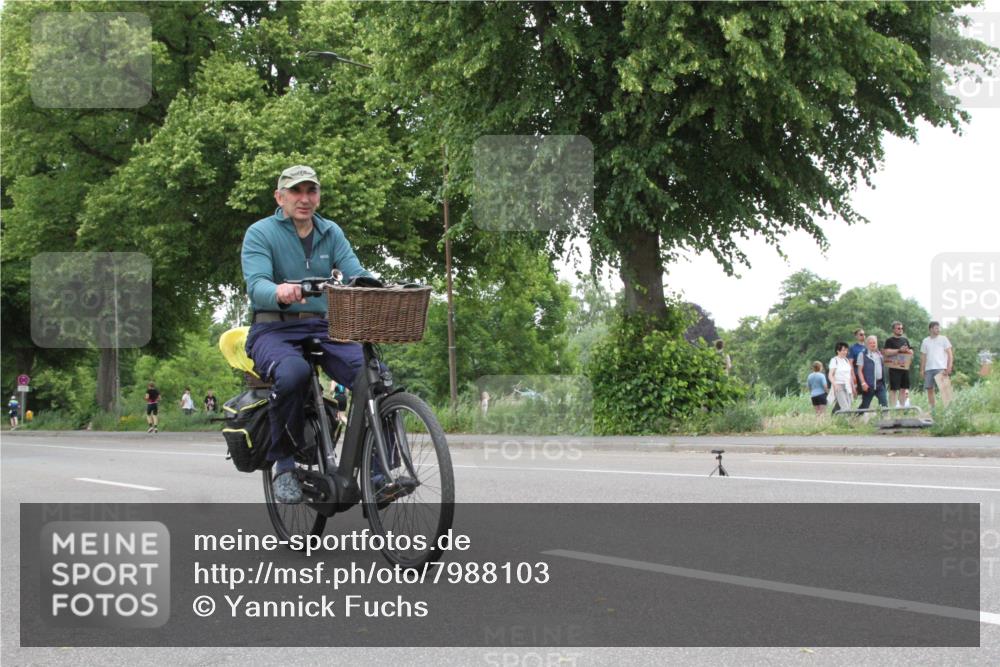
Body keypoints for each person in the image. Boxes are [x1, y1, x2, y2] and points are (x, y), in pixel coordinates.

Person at [242, 165, 374, 504]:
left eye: (311, 191)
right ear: (280, 197)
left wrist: (378, 285)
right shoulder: (260, 233)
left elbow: (355, 272)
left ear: (318, 196)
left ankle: (378, 468)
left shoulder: (331, 232)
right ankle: (284, 465)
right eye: (296, 191)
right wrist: (279, 290)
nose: (304, 199)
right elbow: (257, 285)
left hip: (322, 325)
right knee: (293, 373)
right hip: (273, 328)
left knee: (372, 375)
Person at [920, 321, 954, 410]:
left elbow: (950, 354)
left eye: (939, 328)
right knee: (930, 390)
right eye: (936, 328)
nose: (938, 330)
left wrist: (949, 367)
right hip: (928, 369)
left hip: (941, 368)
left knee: (945, 390)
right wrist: (922, 369)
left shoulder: (943, 339)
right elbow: (923, 356)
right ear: (931, 329)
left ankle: (949, 411)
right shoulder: (925, 341)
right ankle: (933, 410)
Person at [883, 321, 913, 408]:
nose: (901, 330)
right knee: (893, 389)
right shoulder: (889, 340)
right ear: (893, 329)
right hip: (894, 369)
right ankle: (892, 409)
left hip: (904, 368)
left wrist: (908, 351)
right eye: (898, 328)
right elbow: (886, 352)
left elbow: (911, 351)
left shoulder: (905, 340)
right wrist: (899, 350)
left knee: (903, 389)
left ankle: (901, 408)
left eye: (902, 328)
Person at [857, 335, 888, 410]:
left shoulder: (879, 354)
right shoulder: (862, 354)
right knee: (865, 406)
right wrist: (863, 383)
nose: (873, 344)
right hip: (868, 385)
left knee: (884, 404)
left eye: (874, 343)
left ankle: (885, 417)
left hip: (880, 384)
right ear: (867, 344)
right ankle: (855, 416)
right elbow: (859, 371)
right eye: (870, 343)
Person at [828, 342, 855, 413]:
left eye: (846, 350)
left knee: (847, 405)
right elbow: (830, 375)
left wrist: (853, 386)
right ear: (838, 351)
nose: (845, 352)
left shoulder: (846, 360)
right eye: (843, 350)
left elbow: (849, 375)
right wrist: (835, 384)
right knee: (845, 407)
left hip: (847, 386)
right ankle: (847, 419)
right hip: (839, 385)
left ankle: (834, 415)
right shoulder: (834, 360)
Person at [848, 328, 867, 400]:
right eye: (861, 334)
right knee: (860, 393)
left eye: (864, 334)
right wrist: (852, 375)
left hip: (867, 372)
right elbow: (850, 363)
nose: (863, 336)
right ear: (856, 336)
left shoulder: (868, 346)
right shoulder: (853, 348)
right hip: (857, 372)